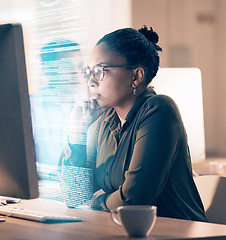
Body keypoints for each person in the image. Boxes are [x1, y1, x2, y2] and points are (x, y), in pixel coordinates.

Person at [59, 26, 208, 222]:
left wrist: (95, 201)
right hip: (126, 232)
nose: (90, 81)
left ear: (136, 76)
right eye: (89, 72)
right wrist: (77, 134)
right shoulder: (105, 121)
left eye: (100, 70)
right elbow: (74, 196)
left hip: (179, 233)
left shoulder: (160, 110)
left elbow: (133, 203)